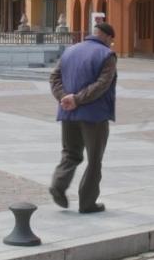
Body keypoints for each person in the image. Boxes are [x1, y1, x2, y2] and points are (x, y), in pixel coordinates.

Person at [49, 22, 117, 213]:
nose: (111, 44)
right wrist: (77, 99)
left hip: (67, 112)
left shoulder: (70, 51)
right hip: (94, 116)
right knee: (94, 160)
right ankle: (87, 203)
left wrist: (64, 98)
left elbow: (54, 77)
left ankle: (58, 185)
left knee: (70, 153)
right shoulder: (106, 55)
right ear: (107, 37)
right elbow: (103, 84)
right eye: (111, 40)